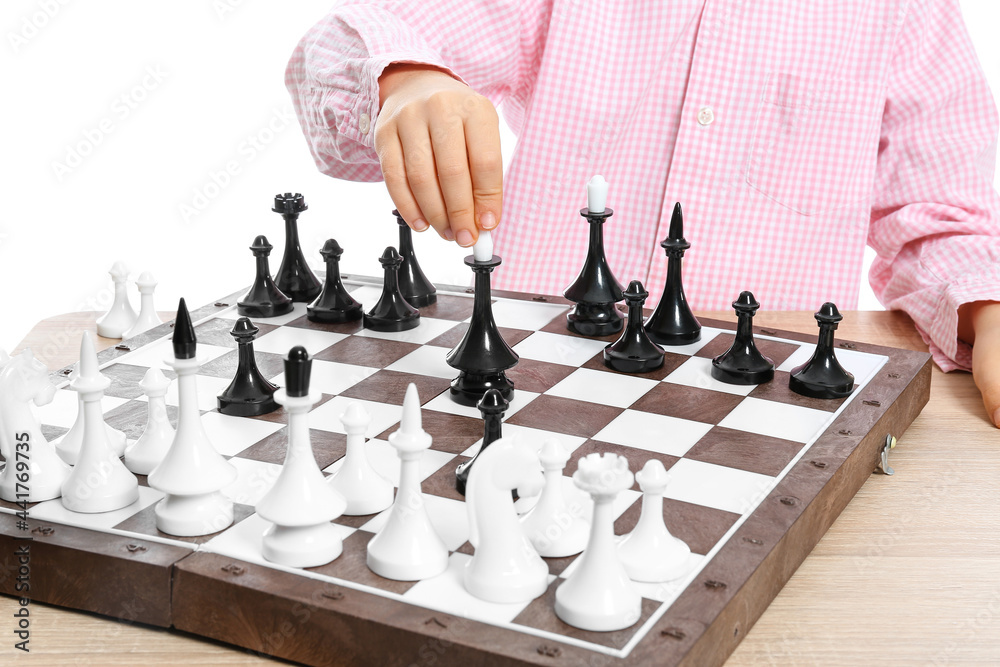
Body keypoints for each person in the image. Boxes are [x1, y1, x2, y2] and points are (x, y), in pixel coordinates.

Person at [285, 0, 1000, 425]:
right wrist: (405, 75)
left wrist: (988, 311)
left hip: (771, 415)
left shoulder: (906, 9)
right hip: (529, 396)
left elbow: (941, 212)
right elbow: (351, 39)